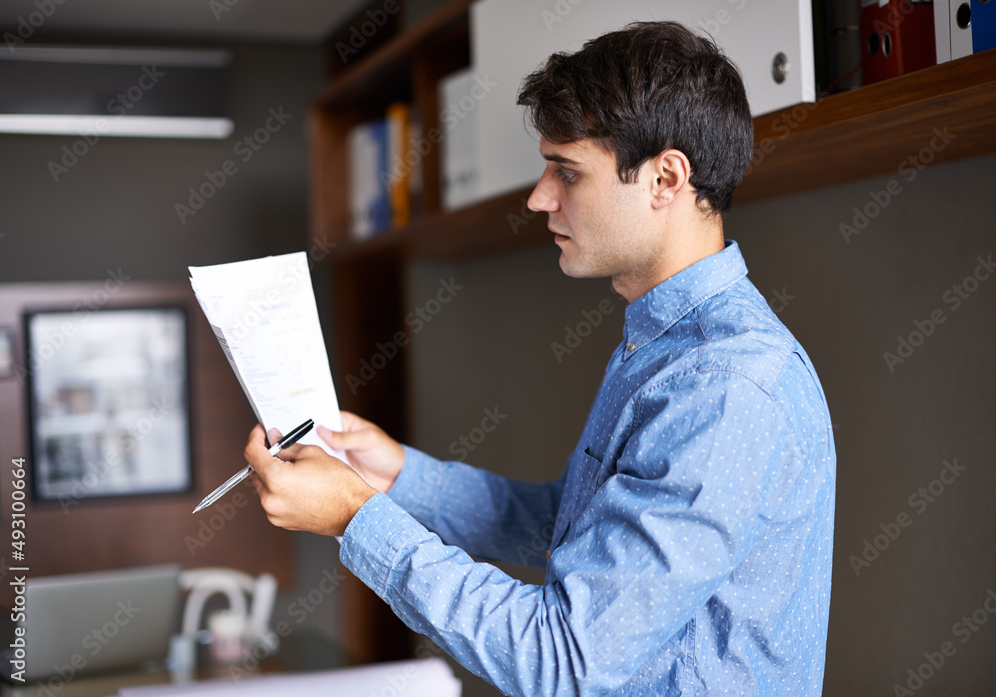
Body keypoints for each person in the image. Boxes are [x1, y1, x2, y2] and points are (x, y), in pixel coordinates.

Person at [244, 20, 836, 697]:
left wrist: (356, 517)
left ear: (665, 178)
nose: (538, 197)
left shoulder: (726, 386)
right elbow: (576, 526)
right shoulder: (667, 347)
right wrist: (401, 478)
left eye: (567, 171)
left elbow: (563, 657)